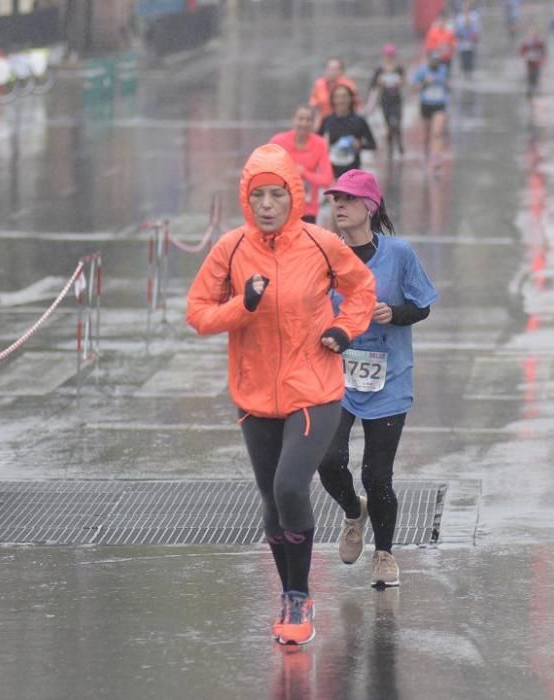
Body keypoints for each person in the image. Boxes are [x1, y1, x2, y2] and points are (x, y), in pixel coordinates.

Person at [186, 144, 376, 646]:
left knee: (291, 486)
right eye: (258, 196)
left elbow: (361, 289)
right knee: (272, 501)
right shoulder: (229, 248)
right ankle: (293, 596)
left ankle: (297, 595)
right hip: (254, 396)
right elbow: (198, 313)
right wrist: (241, 306)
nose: (268, 204)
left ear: (294, 196)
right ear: (246, 200)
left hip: (314, 388)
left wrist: (344, 329)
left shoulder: (320, 244)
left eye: (277, 194)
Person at [318, 169, 437, 589]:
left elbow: (422, 304)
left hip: (388, 378)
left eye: (348, 200)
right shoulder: (327, 254)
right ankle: (353, 513)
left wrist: (394, 313)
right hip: (337, 376)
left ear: (369, 206)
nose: (339, 207)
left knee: (376, 474)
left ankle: (384, 555)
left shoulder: (399, 253)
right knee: (328, 459)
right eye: (335, 200)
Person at [270, 105, 334, 224]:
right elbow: (267, 171)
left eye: (308, 120)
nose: (304, 123)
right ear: (293, 120)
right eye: (300, 119)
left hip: (307, 207)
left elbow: (327, 179)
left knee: (305, 242)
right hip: (281, 204)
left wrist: (304, 173)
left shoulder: (320, 144)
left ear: (313, 123)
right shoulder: (278, 141)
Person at [318, 83, 377, 178]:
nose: (341, 100)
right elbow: (315, 142)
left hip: (352, 171)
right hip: (331, 171)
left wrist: (360, 145)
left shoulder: (359, 121)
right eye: (337, 97)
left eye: (344, 96)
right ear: (333, 100)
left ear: (350, 99)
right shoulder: (327, 120)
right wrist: (324, 145)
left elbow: (373, 145)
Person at [367, 43, 406, 156]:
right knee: (389, 125)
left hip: (397, 100)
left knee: (397, 124)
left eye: (391, 55)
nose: (389, 57)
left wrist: (400, 82)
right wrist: (379, 82)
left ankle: (399, 144)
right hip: (385, 100)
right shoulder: (379, 69)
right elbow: (373, 85)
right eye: (388, 55)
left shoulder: (399, 68)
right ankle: (390, 148)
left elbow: (404, 82)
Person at [412, 50, 449, 171]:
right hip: (426, 105)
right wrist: (424, 83)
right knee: (427, 133)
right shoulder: (422, 71)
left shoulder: (444, 69)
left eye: (437, 60)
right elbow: (414, 88)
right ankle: (426, 153)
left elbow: (447, 86)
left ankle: (437, 158)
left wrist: (445, 85)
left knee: (437, 133)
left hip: (440, 105)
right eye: (433, 60)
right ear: (429, 60)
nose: (436, 63)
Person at [309, 57, 358, 130]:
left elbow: (355, 105)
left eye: (334, 69)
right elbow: (313, 105)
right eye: (329, 69)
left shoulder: (348, 85)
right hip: (322, 123)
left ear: (341, 71)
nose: (331, 72)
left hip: (343, 122)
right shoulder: (319, 84)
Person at [453, 1, 482, 78]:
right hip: (462, 44)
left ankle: (470, 75)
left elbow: (477, 30)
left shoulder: (475, 16)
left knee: (471, 62)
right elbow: (456, 31)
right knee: (463, 62)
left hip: (471, 44)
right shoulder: (459, 18)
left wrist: (472, 33)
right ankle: (464, 74)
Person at [423, 11, 457, 75]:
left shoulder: (450, 31)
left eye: (443, 20)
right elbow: (429, 46)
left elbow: (454, 44)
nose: (442, 22)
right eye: (440, 20)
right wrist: (438, 48)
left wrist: (448, 48)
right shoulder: (432, 31)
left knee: (446, 75)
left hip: (446, 58)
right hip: (436, 60)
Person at [520, 27, 546, 97]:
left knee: (536, 75)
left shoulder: (539, 42)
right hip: (529, 61)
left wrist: (542, 58)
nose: (532, 34)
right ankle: (530, 92)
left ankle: (535, 90)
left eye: (533, 33)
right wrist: (524, 56)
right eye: (530, 33)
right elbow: (522, 50)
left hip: (537, 62)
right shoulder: (526, 42)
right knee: (530, 75)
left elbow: (543, 50)